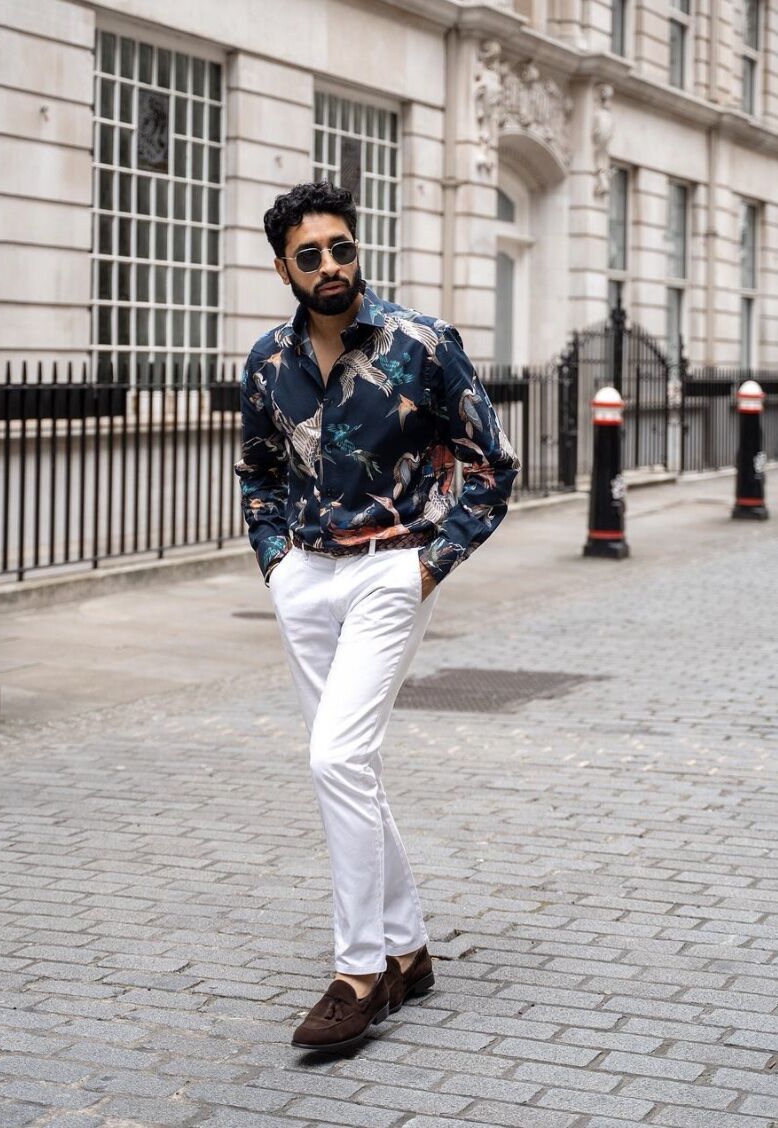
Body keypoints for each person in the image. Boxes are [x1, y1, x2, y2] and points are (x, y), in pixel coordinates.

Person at [235, 181, 520, 1052]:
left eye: (342, 249)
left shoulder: (421, 344)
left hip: (392, 569)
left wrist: (429, 564)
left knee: (334, 755)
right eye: (310, 255)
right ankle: (413, 950)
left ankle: (360, 973)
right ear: (284, 267)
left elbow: (493, 464)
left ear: (359, 251)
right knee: (348, 769)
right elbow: (259, 474)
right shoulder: (266, 364)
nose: (331, 267)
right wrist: (278, 563)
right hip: (306, 580)